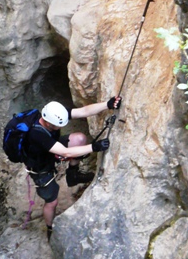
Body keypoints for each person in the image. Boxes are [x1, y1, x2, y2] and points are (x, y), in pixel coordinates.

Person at [24, 96, 122, 240]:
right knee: (52, 201)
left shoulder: (53, 114)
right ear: (50, 123)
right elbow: (65, 152)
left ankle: (73, 175)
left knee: (79, 139)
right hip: (40, 168)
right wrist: (94, 147)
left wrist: (107, 104)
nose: (62, 126)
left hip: (51, 148)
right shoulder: (36, 134)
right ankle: (49, 228)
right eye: (59, 125)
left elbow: (83, 111)